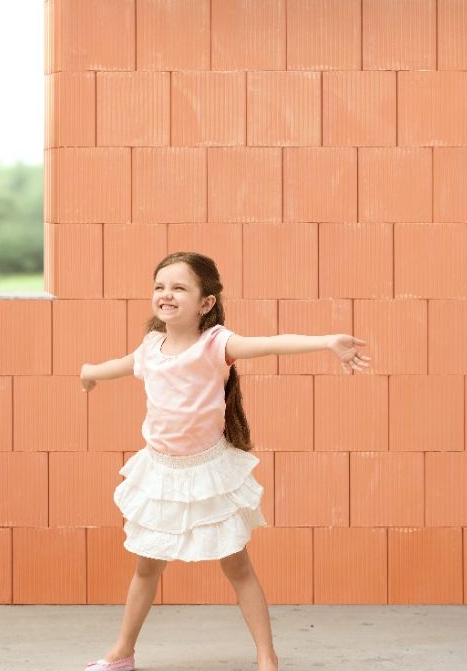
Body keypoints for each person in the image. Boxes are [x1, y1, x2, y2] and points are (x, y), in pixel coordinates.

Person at [78, 252, 371, 671]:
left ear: (206, 303)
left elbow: (272, 344)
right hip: (161, 473)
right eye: (160, 286)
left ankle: (267, 656)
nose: (166, 294)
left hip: (207, 473)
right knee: (146, 568)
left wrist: (326, 342)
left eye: (179, 288)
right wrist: (89, 371)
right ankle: (122, 652)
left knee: (238, 566)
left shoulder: (215, 344)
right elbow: (121, 366)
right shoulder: (151, 347)